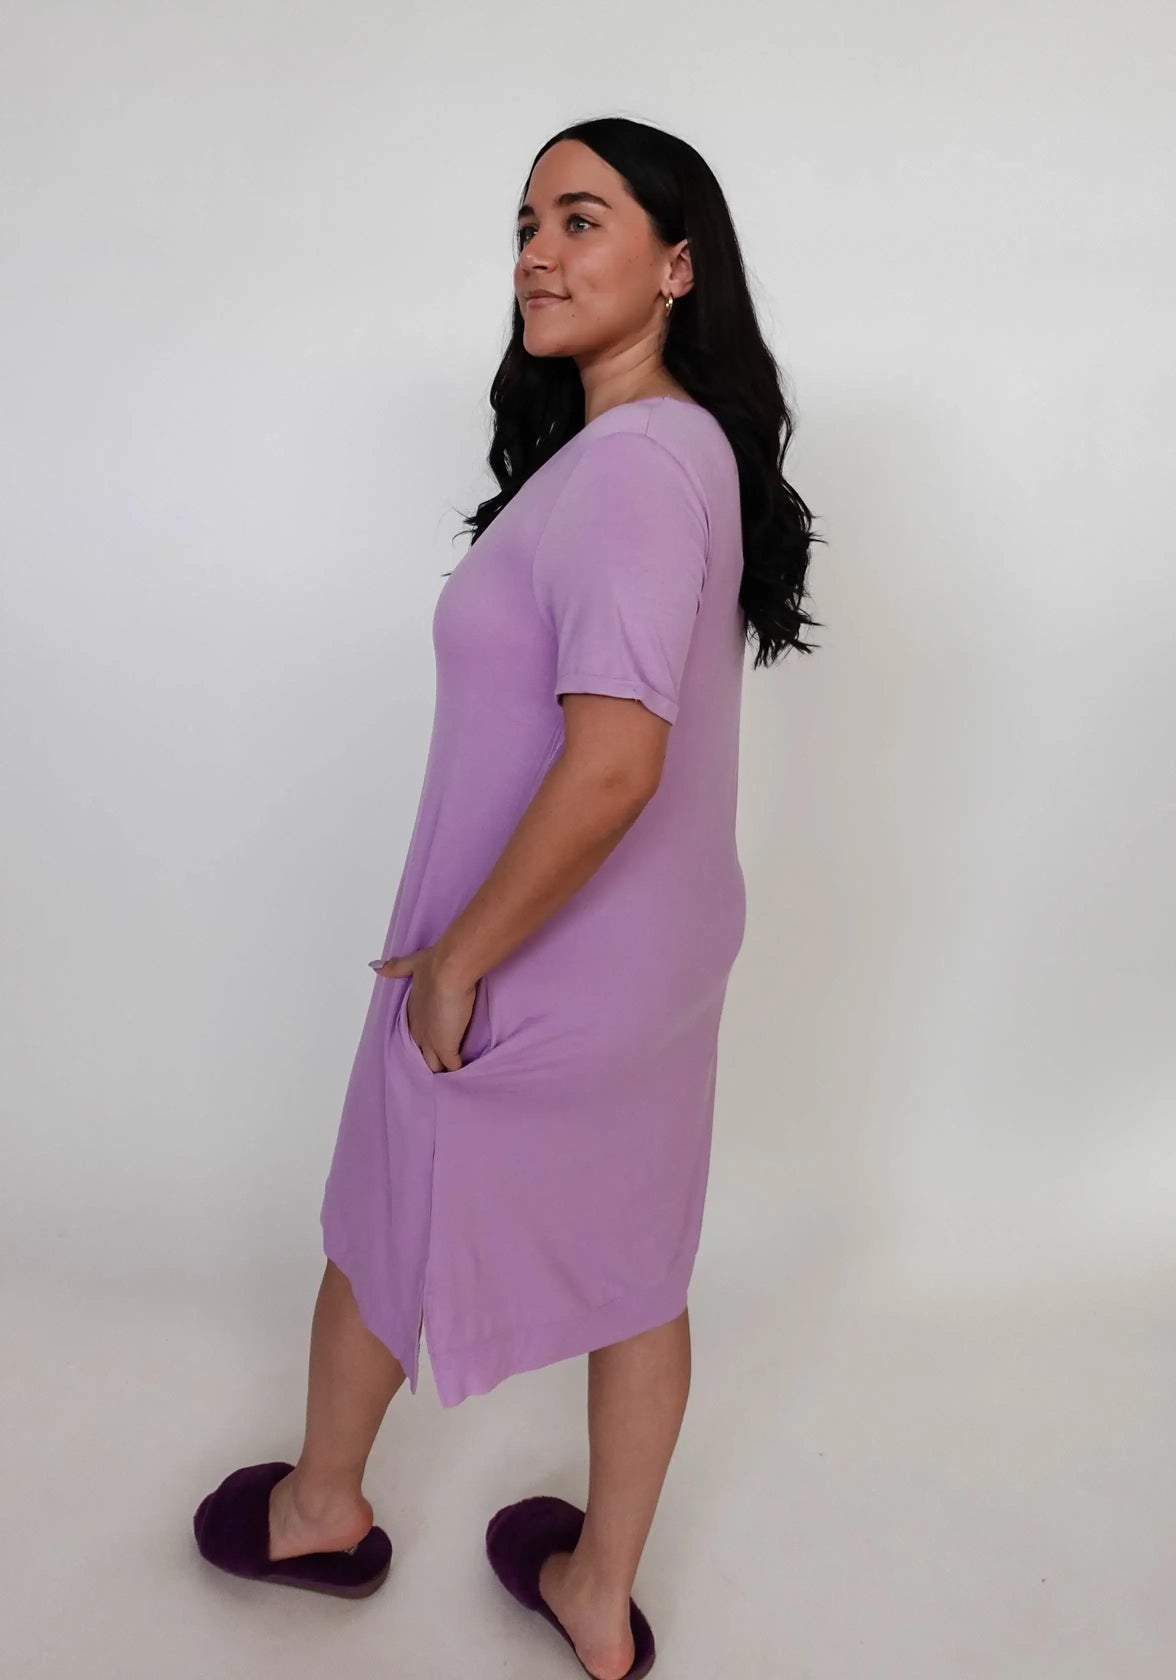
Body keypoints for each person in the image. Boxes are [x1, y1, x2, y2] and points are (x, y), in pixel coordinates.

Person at [192, 116, 819, 1680]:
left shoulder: (633, 466)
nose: (538, 252)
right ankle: (599, 1596)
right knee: (639, 1265)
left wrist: (459, 958)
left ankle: (319, 1510)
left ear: (678, 267)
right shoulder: (677, 453)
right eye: (528, 223)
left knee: (386, 1204)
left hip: (540, 954)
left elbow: (614, 765)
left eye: (582, 220)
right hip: (653, 959)